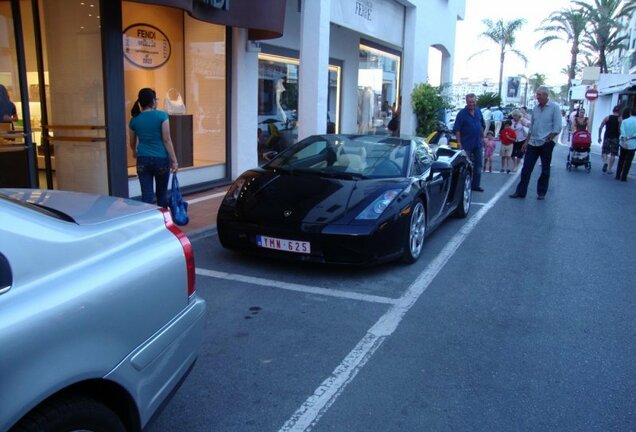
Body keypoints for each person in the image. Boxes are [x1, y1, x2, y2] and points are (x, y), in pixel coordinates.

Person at [129, 87, 179, 208]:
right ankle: (162, 222)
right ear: (152, 101)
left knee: (146, 196)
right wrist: (174, 161)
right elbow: (166, 140)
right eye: (155, 99)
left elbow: (131, 142)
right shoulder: (162, 116)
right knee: (161, 195)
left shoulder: (134, 120)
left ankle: (147, 222)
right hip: (161, 159)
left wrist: (135, 151)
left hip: (143, 160)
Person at [510, 86, 561, 200]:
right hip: (533, 142)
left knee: (545, 169)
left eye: (539, 95)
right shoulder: (536, 108)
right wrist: (526, 142)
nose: (537, 97)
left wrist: (550, 138)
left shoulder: (554, 108)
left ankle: (541, 192)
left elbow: (558, 126)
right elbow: (532, 126)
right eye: (537, 95)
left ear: (546, 95)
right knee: (526, 168)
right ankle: (521, 192)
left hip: (546, 142)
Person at [453, 93, 485, 191]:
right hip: (466, 144)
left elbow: (482, 125)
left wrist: (482, 137)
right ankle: (463, 186)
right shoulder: (461, 114)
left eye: (473, 102)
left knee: (478, 165)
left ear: (476, 102)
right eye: (470, 102)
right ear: (466, 102)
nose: (472, 104)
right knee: (465, 165)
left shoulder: (478, 111)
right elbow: (457, 129)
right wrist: (459, 142)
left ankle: (476, 185)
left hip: (478, 143)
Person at [598, 105, 621, 175]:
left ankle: (605, 162)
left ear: (613, 111)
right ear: (619, 111)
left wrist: (599, 136)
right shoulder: (620, 119)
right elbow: (620, 130)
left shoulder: (607, 118)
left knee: (605, 151)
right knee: (613, 154)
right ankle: (610, 169)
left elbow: (600, 127)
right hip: (615, 138)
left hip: (607, 137)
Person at [616, 106, 636, 182]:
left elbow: (622, 132)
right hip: (633, 144)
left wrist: (624, 139)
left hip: (623, 143)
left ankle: (618, 175)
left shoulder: (625, 121)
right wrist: (630, 137)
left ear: (630, 113)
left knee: (621, 159)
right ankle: (624, 176)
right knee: (628, 161)